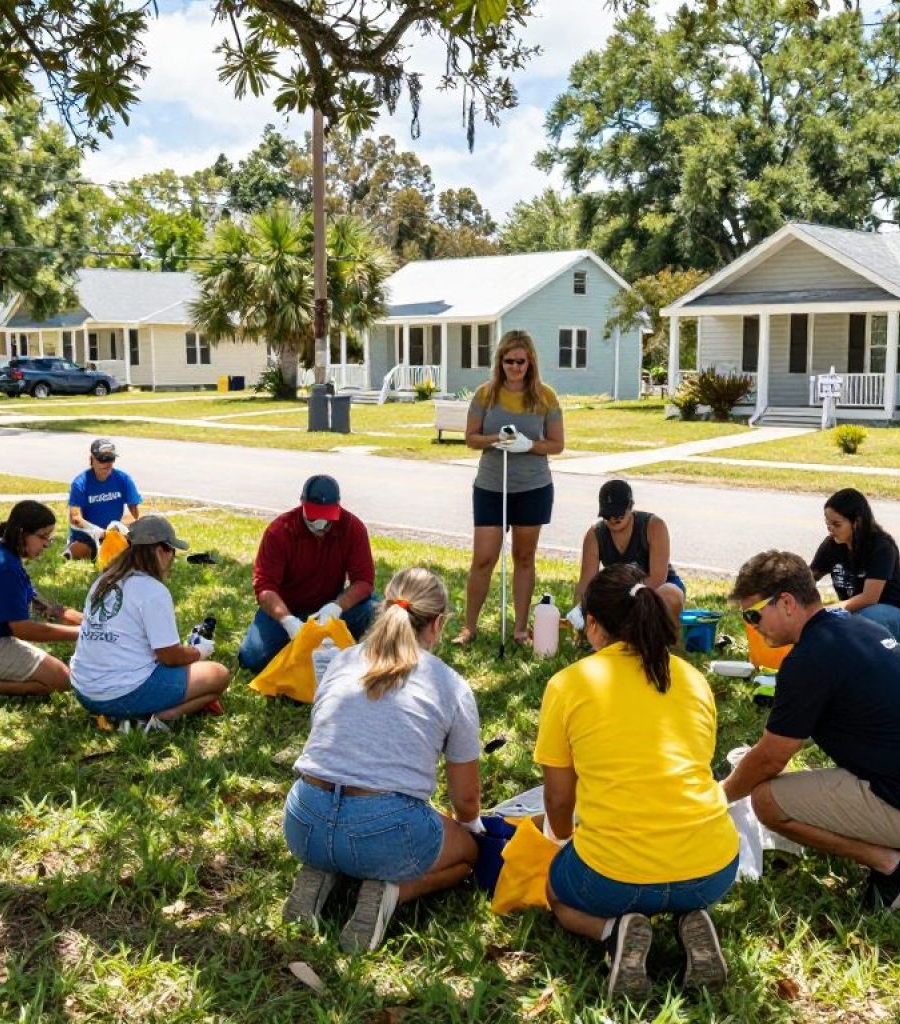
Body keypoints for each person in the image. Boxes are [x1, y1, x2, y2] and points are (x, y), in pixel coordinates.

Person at [724, 550, 900, 912]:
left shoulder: (809, 658)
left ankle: (895, 868)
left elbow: (771, 759)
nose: (752, 625)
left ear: (787, 602)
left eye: (753, 614)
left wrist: (721, 795)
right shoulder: (859, 627)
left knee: (765, 801)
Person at [535, 563, 739, 998]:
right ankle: (690, 917)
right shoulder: (694, 679)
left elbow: (557, 796)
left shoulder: (568, 684)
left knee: (556, 889)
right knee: (678, 884)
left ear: (593, 624)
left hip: (613, 876)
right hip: (714, 868)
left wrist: (562, 842)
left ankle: (613, 930)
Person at [281, 567, 481, 953]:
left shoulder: (342, 661)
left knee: (343, 829)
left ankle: (323, 870)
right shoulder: (451, 684)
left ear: (383, 609)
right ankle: (391, 891)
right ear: (437, 624)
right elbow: (466, 801)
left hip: (303, 820)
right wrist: (468, 832)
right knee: (470, 856)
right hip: (384, 829)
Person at [455, 330, 565, 645]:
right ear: (500, 362)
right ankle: (469, 628)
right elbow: (471, 438)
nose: (515, 367)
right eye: (509, 361)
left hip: (533, 487)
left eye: (521, 361)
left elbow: (557, 445)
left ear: (530, 362)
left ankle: (519, 630)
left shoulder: (545, 397)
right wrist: (497, 440)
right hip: (492, 486)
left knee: (524, 557)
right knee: (484, 558)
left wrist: (528, 445)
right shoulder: (485, 395)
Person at [69, 515, 229, 729]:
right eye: (172, 550)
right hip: (120, 693)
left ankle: (133, 716)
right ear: (160, 550)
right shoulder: (153, 591)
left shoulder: (103, 580)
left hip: (84, 691)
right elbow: (169, 657)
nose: (172, 558)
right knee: (219, 675)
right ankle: (151, 720)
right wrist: (200, 651)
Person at [237, 474, 376, 673]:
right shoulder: (279, 532)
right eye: (313, 515)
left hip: (329, 608)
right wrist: (287, 620)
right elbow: (264, 586)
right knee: (253, 658)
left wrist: (338, 606)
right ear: (302, 503)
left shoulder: (352, 528)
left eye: (326, 517)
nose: (320, 523)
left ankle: (344, 649)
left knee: (374, 610)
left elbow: (364, 581)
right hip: (287, 608)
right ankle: (300, 646)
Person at [0, 500, 82, 704]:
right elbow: (23, 629)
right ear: (21, 533)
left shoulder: (1, 549)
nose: (47, 544)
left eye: (50, 537)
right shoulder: (2, 566)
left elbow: (42, 605)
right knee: (64, 679)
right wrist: (84, 634)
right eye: (43, 537)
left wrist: (91, 621)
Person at [567, 479, 685, 630]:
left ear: (630, 507)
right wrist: (579, 615)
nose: (612, 519)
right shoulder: (594, 535)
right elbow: (585, 584)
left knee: (669, 596)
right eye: (607, 514)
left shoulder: (654, 526)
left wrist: (623, 597)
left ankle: (664, 642)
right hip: (620, 591)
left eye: (618, 513)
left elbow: (657, 579)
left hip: (657, 588)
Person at [810, 488, 900, 642]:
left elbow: (869, 598)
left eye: (837, 524)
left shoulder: (881, 546)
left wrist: (826, 612)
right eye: (828, 524)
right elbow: (808, 579)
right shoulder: (831, 545)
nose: (831, 530)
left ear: (857, 522)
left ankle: (880, 660)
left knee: (855, 624)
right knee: (839, 626)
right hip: (857, 613)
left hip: (899, 613)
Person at [66, 438, 142, 560]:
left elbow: (134, 509)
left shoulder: (123, 479)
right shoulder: (80, 483)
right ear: (92, 459)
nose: (107, 464)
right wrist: (98, 532)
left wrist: (138, 530)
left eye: (111, 459)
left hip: (114, 533)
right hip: (88, 536)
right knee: (80, 550)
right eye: (102, 459)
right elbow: (75, 518)